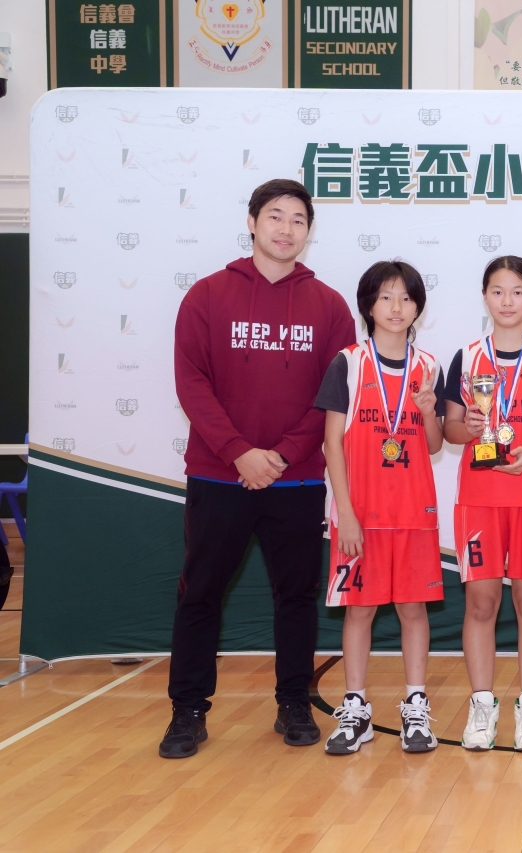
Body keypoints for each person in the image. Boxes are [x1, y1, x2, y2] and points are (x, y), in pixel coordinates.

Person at [162, 179, 356, 759]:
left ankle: (293, 702)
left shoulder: (330, 306)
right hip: (219, 474)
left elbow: (334, 397)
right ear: (251, 222)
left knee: (295, 596)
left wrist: (283, 454)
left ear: (309, 231)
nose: (285, 229)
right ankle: (187, 711)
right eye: (274, 216)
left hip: (297, 479)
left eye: (298, 220)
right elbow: (191, 383)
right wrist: (239, 452)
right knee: (200, 594)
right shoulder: (206, 295)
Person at [315, 260, 447, 755]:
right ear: (368, 304)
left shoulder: (428, 367)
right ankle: (356, 707)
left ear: (418, 308)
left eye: (407, 298)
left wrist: (429, 412)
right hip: (361, 515)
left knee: (414, 609)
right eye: (386, 297)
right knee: (360, 610)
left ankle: (415, 704)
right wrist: (346, 513)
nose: (397, 307)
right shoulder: (348, 363)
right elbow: (331, 443)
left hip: (413, 511)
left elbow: (433, 445)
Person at [443, 256, 522, 751]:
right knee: (481, 603)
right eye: (497, 291)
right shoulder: (465, 357)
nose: (507, 301)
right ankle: (482, 705)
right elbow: (450, 428)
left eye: (517, 291)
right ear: (485, 296)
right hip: (478, 499)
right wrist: (468, 428)